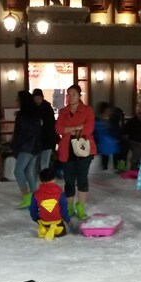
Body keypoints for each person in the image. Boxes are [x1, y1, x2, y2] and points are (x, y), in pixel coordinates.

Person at [55, 84, 95, 220]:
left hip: (83, 148)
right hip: (67, 150)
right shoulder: (62, 112)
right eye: (69, 94)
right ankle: (70, 206)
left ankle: (81, 207)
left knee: (82, 179)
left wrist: (69, 130)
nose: (70, 97)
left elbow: (88, 129)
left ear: (79, 96)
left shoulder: (88, 110)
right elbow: (59, 129)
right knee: (69, 180)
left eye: (73, 94)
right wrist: (77, 127)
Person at [11, 91, 42, 208]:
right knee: (29, 172)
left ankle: (27, 196)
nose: (16, 102)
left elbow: (20, 134)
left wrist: (14, 146)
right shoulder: (35, 114)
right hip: (35, 147)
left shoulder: (22, 116)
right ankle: (35, 197)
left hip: (26, 147)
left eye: (18, 99)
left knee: (18, 171)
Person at [29, 168, 70, 240]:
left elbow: (33, 208)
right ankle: (54, 228)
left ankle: (43, 228)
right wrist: (67, 219)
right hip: (57, 220)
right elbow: (64, 207)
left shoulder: (36, 193)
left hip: (44, 220)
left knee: (44, 223)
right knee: (62, 233)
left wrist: (35, 218)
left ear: (41, 180)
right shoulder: (60, 192)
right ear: (54, 178)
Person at [32, 89, 58, 172]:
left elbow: (51, 125)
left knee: (44, 163)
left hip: (47, 140)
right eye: (35, 98)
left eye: (38, 98)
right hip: (36, 140)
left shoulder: (47, 108)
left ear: (42, 98)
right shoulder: (33, 108)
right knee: (36, 163)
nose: (37, 100)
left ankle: (45, 180)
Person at [94, 102, 120, 171]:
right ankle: (106, 166)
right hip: (102, 140)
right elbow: (98, 132)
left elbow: (115, 130)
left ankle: (116, 166)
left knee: (116, 145)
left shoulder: (112, 119)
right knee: (107, 145)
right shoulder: (98, 120)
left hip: (108, 140)